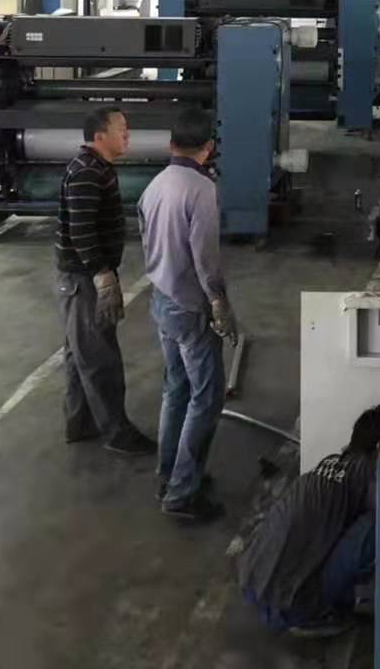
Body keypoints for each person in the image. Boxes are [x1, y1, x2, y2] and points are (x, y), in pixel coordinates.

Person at [138, 107, 238, 523]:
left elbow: (145, 236)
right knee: (206, 399)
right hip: (191, 307)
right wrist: (219, 302)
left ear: (171, 144)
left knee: (176, 390)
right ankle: (182, 493)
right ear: (209, 147)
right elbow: (206, 257)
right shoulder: (201, 190)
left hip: (162, 300)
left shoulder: (155, 185)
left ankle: (169, 475)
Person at [238, 402, 380, 637]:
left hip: (252, 581)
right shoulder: (367, 474)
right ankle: (315, 614)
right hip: (286, 607)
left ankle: (312, 600)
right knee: (374, 528)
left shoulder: (331, 465)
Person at [55, 107, 156, 456]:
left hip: (81, 277)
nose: (127, 135)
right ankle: (117, 433)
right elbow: (81, 231)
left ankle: (80, 422)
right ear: (100, 136)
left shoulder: (97, 168)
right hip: (83, 279)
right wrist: (101, 275)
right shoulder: (87, 172)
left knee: (80, 354)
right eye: (120, 129)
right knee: (100, 358)